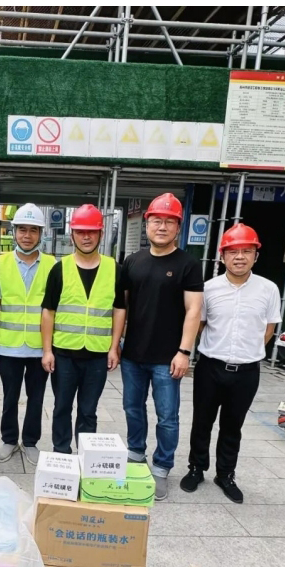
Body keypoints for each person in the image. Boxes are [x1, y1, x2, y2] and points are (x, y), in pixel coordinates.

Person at [179, 224, 282, 504]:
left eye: (246, 251)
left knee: (233, 426)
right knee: (202, 422)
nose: (239, 257)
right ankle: (196, 468)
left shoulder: (269, 289)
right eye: (233, 252)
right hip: (211, 367)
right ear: (222, 256)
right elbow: (200, 324)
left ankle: (225, 474)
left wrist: (246, 351)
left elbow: (268, 329)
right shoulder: (208, 289)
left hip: (247, 371)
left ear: (255, 255)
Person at [120, 193, 204, 500]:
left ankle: (162, 466)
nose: (162, 226)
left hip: (168, 358)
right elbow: (122, 307)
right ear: (147, 224)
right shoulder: (133, 261)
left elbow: (194, 310)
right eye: (157, 220)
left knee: (167, 416)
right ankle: (135, 454)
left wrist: (184, 352)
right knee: (132, 407)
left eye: (170, 221)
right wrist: (116, 345)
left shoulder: (188, 264)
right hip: (133, 354)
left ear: (178, 227)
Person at [41, 204, 126, 454]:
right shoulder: (60, 268)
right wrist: (47, 351)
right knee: (62, 407)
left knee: (89, 410)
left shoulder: (114, 269)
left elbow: (119, 309)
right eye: (80, 231)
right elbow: (48, 311)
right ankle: (62, 453)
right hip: (64, 354)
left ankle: (86, 457)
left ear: (101, 234)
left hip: (97, 355)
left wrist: (114, 347)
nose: (86, 237)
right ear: (72, 235)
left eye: (92, 231)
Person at [0, 203, 55, 465]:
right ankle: (9, 439)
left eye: (33, 230)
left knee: (36, 398)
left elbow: (54, 309)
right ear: (14, 232)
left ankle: (30, 441)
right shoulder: (0, 265)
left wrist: (50, 348)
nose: (27, 235)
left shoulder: (52, 265)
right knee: (10, 396)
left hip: (39, 347)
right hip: (9, 346)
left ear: (41, 234)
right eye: (22, 229)